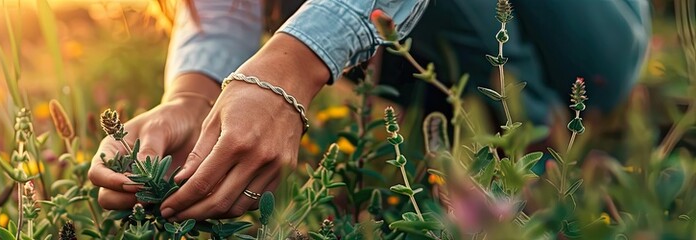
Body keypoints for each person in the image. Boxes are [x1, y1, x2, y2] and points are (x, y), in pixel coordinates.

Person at [88, 0, 651, 221]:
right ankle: (495, 139)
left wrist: (288, 67)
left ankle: (540, 152)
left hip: (590, 41)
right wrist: (192, 96)